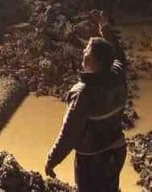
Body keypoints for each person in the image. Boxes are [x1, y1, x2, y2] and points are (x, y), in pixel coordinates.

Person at [45, 11, 128, 191]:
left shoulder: (83, 93)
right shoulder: (117, 74)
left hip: (93, 159)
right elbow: (118, 53)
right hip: (117, 150)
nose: (83, 51)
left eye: (87, 50)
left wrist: (52, 159)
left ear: (93, 60)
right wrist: (104, 27)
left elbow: (70, 133)